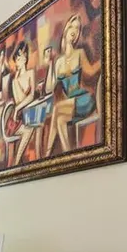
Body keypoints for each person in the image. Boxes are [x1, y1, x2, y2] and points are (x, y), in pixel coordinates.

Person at [45, 14, 101, 156]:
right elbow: (49, 88)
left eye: (77, 28)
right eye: (72, 26)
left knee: (57, 108)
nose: (74, 31)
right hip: (70, 105)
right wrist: (50, 64)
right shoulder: (58, 62)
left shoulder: (80, 53)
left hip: (84, 100)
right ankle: (68, 154)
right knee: (60, 120)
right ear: (66, 29)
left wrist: (104, 59)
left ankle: (46, 154)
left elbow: (91, 70)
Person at [4, 42, 37, 167]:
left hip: (28, 112)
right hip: (17, 119)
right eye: (17, 59)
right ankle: (17, 164)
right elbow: (18, 99)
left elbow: (32, 95)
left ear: (25, 57)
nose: (18, 61)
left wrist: (18, 107)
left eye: (20, 57)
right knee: (30, 129)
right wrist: (16, 79)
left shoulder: (31, 73)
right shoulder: (14, 80)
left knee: (39, 123)